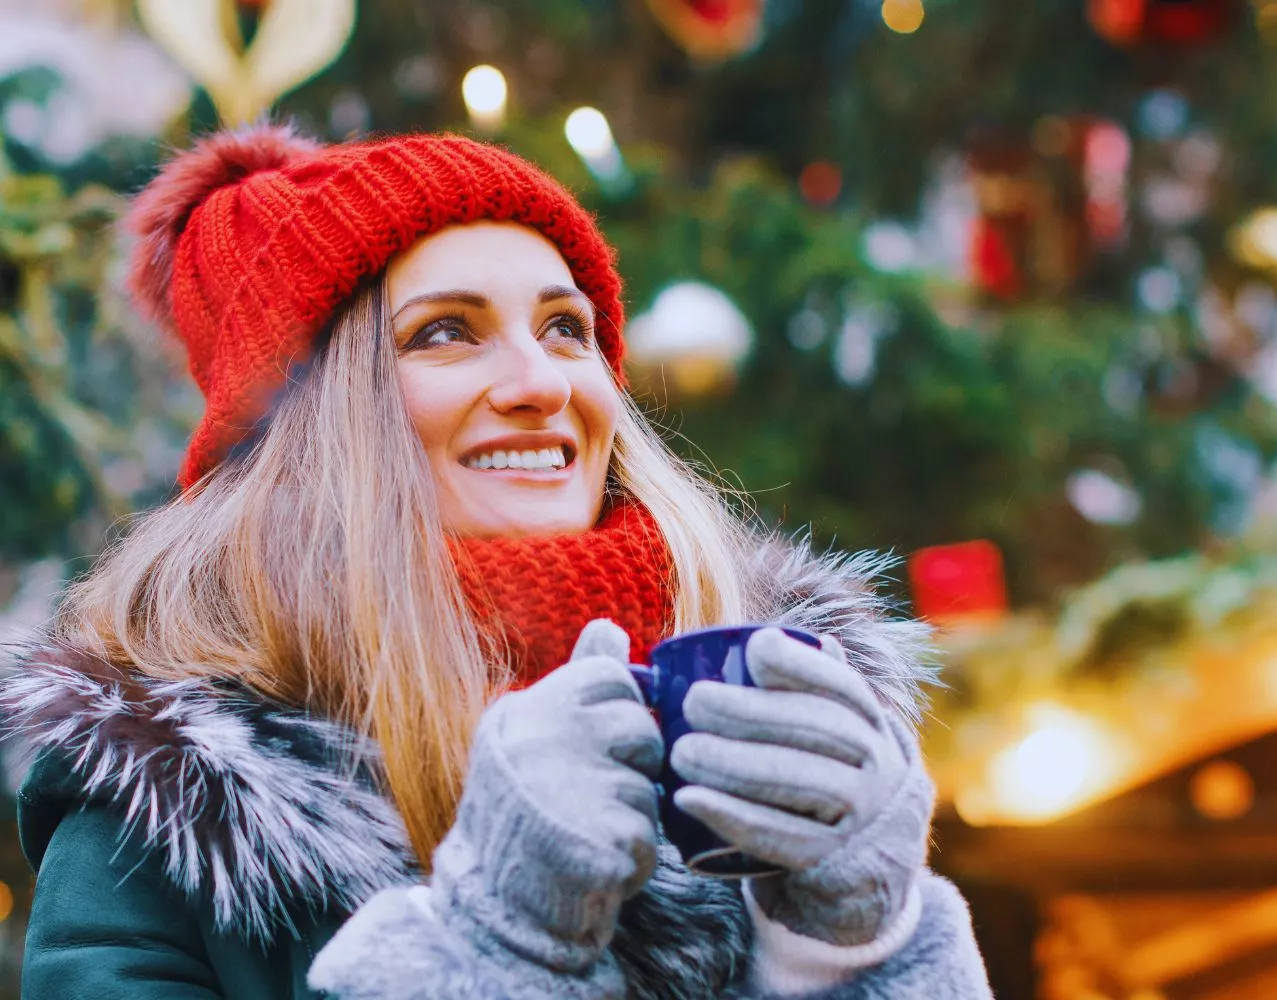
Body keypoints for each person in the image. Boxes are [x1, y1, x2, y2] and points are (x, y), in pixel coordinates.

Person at [1, 124, 992, 999]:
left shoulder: (758, 700)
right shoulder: (164, 819)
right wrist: (494, 944)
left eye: (566, 328)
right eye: (446, 332)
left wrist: (856, 950)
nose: (541, 383)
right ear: (310, 425)